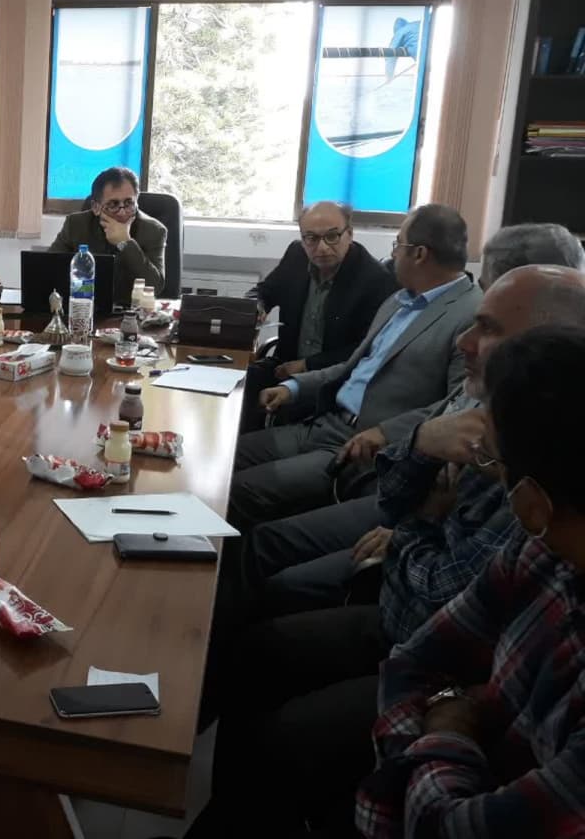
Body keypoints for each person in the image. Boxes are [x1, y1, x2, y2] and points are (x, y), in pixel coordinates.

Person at [187, 265, 585, 839]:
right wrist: (421, 447)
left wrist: (448, 722)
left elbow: (427, 598)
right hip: (424, 636)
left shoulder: (530, 469)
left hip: (434, 657)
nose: (464, 342)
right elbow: (423, 635)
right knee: (258, 654)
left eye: (488, 329)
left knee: (286, 739)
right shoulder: (542, 546)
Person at [242, 222, 585, 615]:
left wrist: (412, 525)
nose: (469, 338)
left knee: (264, 548)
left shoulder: (532, 421)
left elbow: (457, 583)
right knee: (237, 475)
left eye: (398, 244)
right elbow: (364, 384)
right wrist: (421, 441)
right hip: (376, 465)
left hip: (404, 540)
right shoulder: (400, 303)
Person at [357, 324, 585, 837]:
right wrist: (441, 722)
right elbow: (412, 662)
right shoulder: (540, 550)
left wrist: (448, 727)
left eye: (490, 460)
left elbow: (444, 827)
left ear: (531, 504)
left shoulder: (535, 536)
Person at [229, 205, 480, 529]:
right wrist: (293, 387)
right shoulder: (401, 302)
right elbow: (352, 367)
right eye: (311, 238)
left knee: (238, 490)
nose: (392, 254)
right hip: (327, 421)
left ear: (419, 254)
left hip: (362, 444)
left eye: (397, 244)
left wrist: (385, 433)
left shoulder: (470, 316)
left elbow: (458, 410)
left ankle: (228, 557)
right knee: (223, 457)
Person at [241, 201, 398, 432]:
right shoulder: (296, 254)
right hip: (284, 364)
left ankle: (256, 447)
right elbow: (264, 291)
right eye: (311, 238)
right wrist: (257, 306)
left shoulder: (375, 279)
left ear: (349, 234)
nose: (322, 247)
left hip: (331, 379)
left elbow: (366, 349)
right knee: (237, 385)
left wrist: (308, 365)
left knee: (279, 418)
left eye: (332, 236)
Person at [48, 166, 166, 302]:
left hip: (131, 310)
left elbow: (155, 287)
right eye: (113, 204)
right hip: (84, 305)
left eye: (129, 203)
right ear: (96, 207)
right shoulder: (76, 225)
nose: (122, 212)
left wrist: (125, 243)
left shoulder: (153, 230)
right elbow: (49, 269)